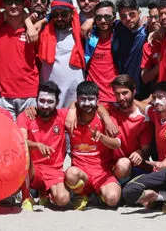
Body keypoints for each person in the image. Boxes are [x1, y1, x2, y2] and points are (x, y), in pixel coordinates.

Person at [122, 81, 166, 218]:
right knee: (129, 192)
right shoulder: (156, 114)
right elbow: (144, 107)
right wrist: (128, 98)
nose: (156, 101)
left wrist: (165, 162)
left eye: (161, 97)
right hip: (163, 174)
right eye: (154, 98)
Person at [64, 81, 121, 210]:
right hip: (80, 172)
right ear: (77, 100)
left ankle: (96, 195)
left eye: (91, 99)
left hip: (102, 172)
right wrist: (72, 108)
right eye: (83, 99)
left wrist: (102, 137)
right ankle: (82, 194)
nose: (87, 103)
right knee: (71, 174)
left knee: (112, 199)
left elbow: (117, 144)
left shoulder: (106, 119)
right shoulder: (69, 118)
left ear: (98, 100)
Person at [17, 81, 70, 210]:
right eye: (41, 100)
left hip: (54, 169)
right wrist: (37, 145)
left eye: (50, 102)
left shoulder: (62, 115)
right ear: (36, 100)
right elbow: (21, 141)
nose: (45, 105)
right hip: (32, 169)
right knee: (24, 152)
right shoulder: (25, 116)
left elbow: (79, 105)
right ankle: (26, 197)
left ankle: (44, 193)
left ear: (57, 102)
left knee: (63, 200)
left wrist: (73, 112)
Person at [0, 0, 39, 120]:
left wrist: (30, 25)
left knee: (27, 137)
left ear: (23, 5)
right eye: (9, 2)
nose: (13, 6)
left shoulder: (34, 30)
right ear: (4, 5)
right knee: (6, 137)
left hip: (29, 94)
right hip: (3, 95)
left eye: (18, 2)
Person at [104, 75, 153, 184]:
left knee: (124, 164)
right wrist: (107, 120)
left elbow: (146, 148)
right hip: (111, 166)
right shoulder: (111, 109)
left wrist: (140, 152)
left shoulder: (143, 118)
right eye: (117, 94)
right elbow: (96, 106)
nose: (121, 98)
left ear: (134, 91)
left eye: (125, 93)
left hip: (136, 167)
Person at [38, 0, 85, 108]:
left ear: (71, 14)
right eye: (55, 15)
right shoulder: (43, 31)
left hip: (73, 94)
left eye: (64, 14)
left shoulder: (81, 32)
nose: (59, 18)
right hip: (51, 94)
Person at [84, 1, 118, 103]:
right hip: (92, 98)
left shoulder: (120, 37)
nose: (103, 21)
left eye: (107, 17)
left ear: (114, 17)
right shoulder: (88, 37)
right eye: (99, 17)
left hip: (115, 97)